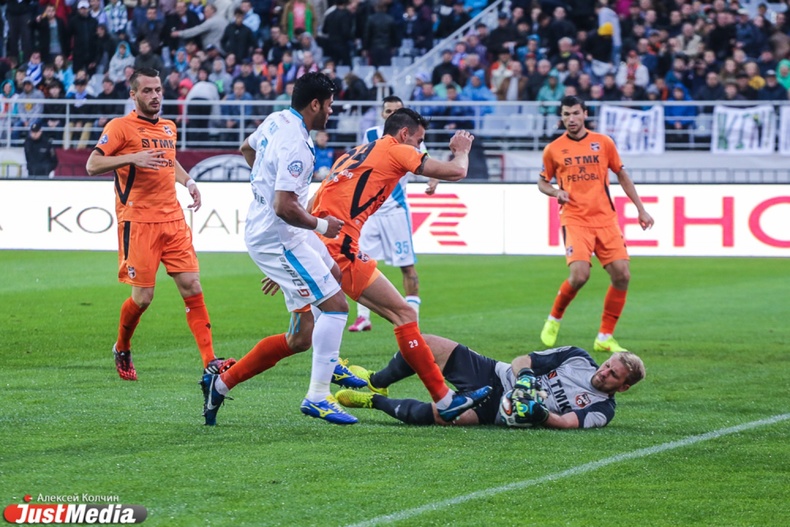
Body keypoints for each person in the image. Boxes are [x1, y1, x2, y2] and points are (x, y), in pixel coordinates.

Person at [199, 72, 362, 427]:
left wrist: (266, 185)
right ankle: (318, 396)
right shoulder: (296, 146)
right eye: (329, 104)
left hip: (284, 237)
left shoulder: (277, 119)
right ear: (315, 104)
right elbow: (284, 206)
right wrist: (322, 226)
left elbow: (247, 149)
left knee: (303, 332)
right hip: (279, 238)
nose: (331, 111)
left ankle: (221, 384)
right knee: (336, 306)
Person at [310, 108, 493, 422]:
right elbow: (456, 172)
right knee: (404, 314)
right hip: (341, 248)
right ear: (405, 133)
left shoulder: (355, 152)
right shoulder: (397, 149)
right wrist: (461, 151)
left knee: (301, 334)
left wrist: (298, 251)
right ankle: (444, 399)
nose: (419, 148)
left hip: (320, 245)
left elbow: (316, 199)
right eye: (419, 141)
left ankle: (227, 382)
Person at [85, 67, 230, 382]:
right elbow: (92, 164)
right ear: (133, 95)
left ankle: (210, 361)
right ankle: (122, 346)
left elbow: (168, 159)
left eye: (158, 90)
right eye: (147, 91)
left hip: (173, 219)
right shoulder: (120, 127)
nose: (155, 96)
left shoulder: (168, 127)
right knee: (143, 298)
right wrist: (131, 158)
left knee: (192, 286)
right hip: (139, 221)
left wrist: (188, 181)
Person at [538, 96, 654, 353]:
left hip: (605, 219)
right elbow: (542, 181)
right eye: (566, 114)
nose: (571, 119)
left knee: (622, 275)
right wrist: (555, 192)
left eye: (575, 113)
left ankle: (604, 337)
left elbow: (621, 174)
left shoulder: (603, 143)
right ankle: (554, 318)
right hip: (575, 219)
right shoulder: (553, 149)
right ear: (561, 116)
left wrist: (640, 209)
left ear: (585, 113)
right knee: (580, 275)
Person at [335, 334, 645, 428]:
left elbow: (566, 423)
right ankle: (377, 381)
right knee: (423, 343)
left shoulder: (603, 409)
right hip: (494, 373)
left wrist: (540, 414)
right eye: (607, 365)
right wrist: (525, 378)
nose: (603, 372)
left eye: (613, 375)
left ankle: (374, 401)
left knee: (442, 417)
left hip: (499, 410)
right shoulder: (577, 358)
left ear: (623, 386)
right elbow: (524, 360)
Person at [348, 96, 437, 332]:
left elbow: (426, 161)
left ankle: (413, 321)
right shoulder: (370, 135)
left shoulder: (410, 137)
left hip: (395, 211)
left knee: (407, 267)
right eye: (388, 111)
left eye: (397, 110)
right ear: (382, 114)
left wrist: (433, 180)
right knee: (360, 263)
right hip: (369, 212)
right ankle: (363, 317)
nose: (392, 114)